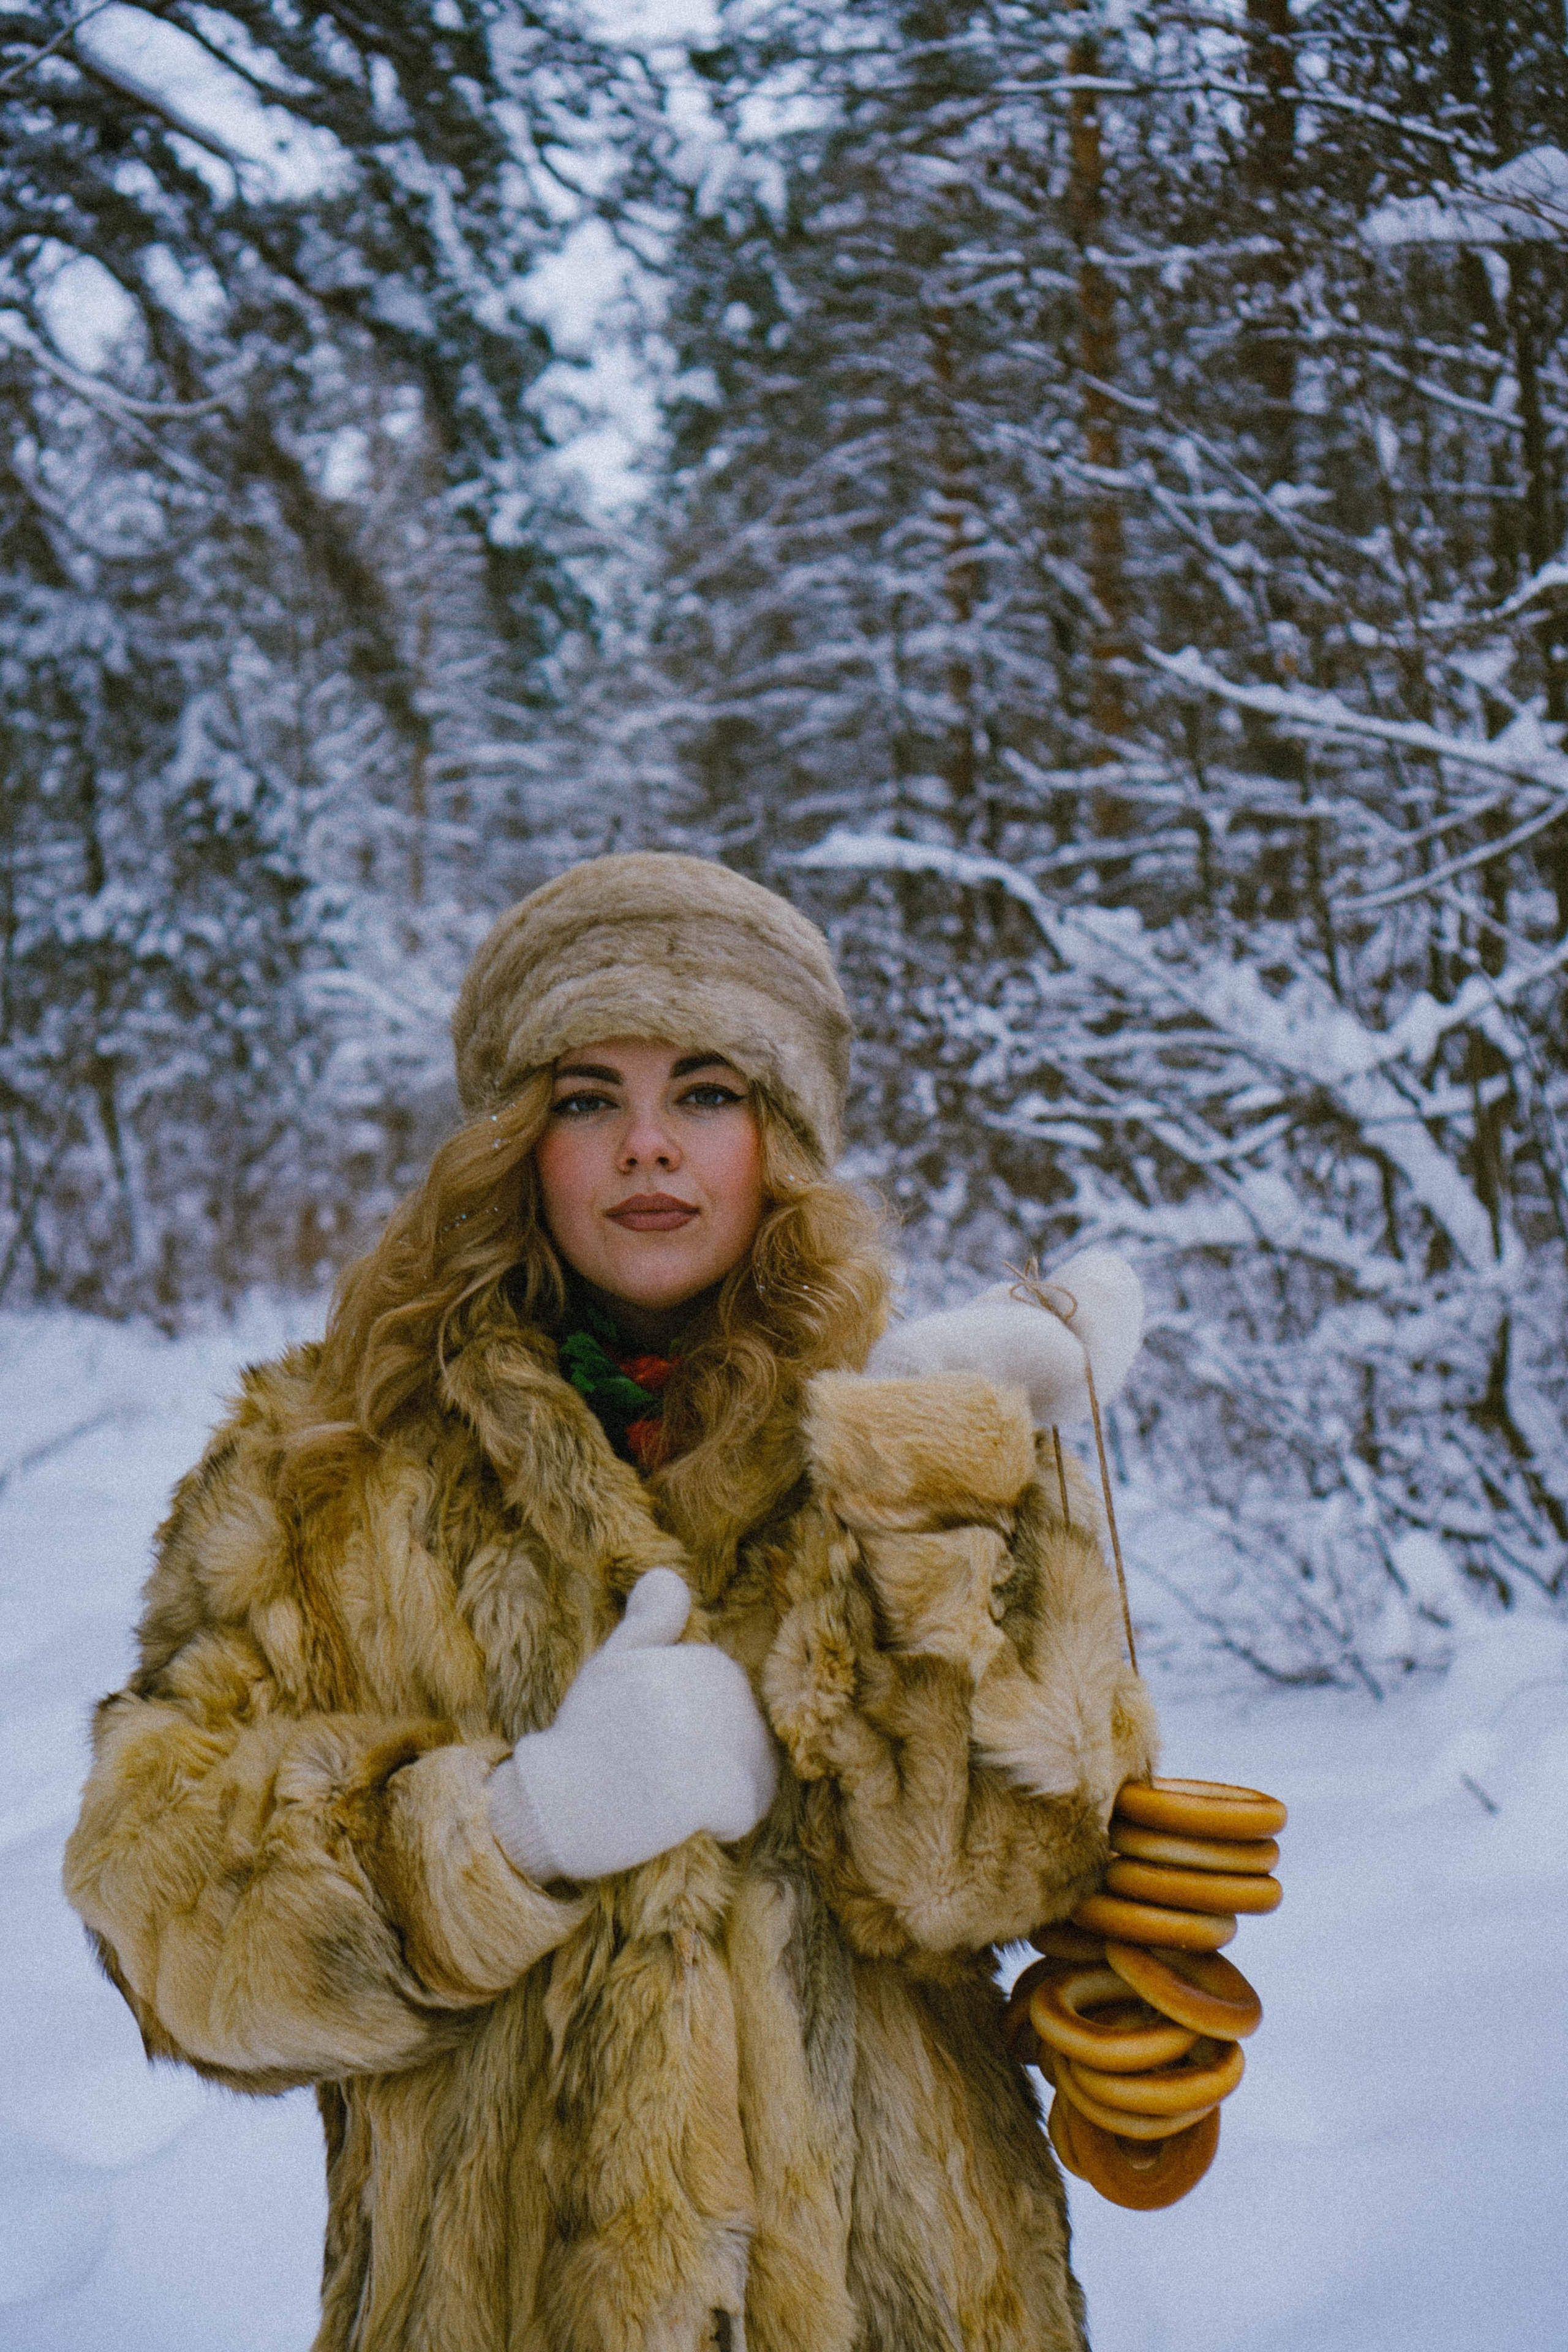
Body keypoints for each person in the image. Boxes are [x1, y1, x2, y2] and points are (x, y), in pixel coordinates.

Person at [63, 853, 1157, 2352]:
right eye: (589, 1098)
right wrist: (510, 1829)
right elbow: (159, 1910)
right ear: (519, 1141)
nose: (647, 1144)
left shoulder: (916, 1438)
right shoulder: (329, 1463)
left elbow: (1001, 1869)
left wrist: (928, 1491)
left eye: (705, 1092)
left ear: (781, 1136)